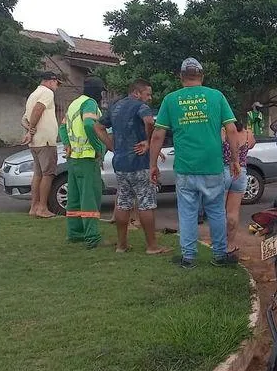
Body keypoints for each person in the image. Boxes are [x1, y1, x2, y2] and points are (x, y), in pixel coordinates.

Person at [149, 57, 240, 269]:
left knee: (187, 212)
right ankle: (219, 255)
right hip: (212, 166)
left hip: (185, 167)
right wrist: (235, 159)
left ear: (181, 77)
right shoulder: (216, 96)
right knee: (216, 211)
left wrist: (153, 164)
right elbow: (232, 130)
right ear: (202, 76)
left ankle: (188, 258)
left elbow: (157, 135)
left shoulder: (171, 100)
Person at [97, 79, 170, 255]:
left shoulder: (115, 106)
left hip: (120, 163)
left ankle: (121, 245)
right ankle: (152, 246)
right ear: (137, 93)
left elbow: (98, 127)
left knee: (123, 202)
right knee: (146, 203)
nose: (150, 98)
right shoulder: (140, 106)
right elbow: (150, 122)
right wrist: (148, 141)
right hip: (139, 163)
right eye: (148, 94)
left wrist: (112, 147)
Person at [59, 77, 107, 248]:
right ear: (99, 92)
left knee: (74, 198)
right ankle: (92, 237)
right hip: (88, 158)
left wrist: (67, 145)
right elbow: (88, 124)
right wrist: (98, 148)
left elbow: (62, 127)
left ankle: (75, 233)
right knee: (89, 197)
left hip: (74, 159)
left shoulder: (74, 104)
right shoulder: (90, 104)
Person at [22, 71, 61, 218]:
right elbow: (39, 109)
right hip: (45, 141)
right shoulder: (47, 93)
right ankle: (42, 207)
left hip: (36, 142)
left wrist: (29, 131)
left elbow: (24, 119)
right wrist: (31, 131)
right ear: (51, 81)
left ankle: (34, 207)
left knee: (38, 174)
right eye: (57, 83)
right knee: (48, 174)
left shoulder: (33, 94)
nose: (57, 86)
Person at [223, 120, 255, 255]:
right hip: (240, 172)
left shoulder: (223, 132)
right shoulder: (248, 135)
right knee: (233, 212)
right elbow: (252, 144)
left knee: (219, 210)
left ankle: (219, 243)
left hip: (224, 170)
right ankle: (230, 244)